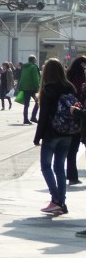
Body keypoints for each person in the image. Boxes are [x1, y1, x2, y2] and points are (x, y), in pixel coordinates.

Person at [33, 56, 77, 217]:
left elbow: (43, 116)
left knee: (46, 166)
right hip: (68, 132)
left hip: (51, 133)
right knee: (60, 167)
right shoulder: (70, 87)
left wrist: (37, 137)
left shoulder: (48, 89)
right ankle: (61, 202)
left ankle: (56, 200)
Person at [68, 56, 86, 186]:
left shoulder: (68, 78)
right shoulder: (82, 80)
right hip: (80, 115)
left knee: (72, 149)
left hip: (72, 116)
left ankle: (72, 175)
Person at [18, 54, 41, 124]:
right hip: (32, 88)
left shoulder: (24, 67)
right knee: (38, 102)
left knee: (26, 104)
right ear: (33, 60)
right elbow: (36, 79)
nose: (36, 61)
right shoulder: (34, 67)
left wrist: (20, 87)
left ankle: (25, 119)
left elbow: (22, 77)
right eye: (35, 59)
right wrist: (38, 88)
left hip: (25, 88)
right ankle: (33, 117)